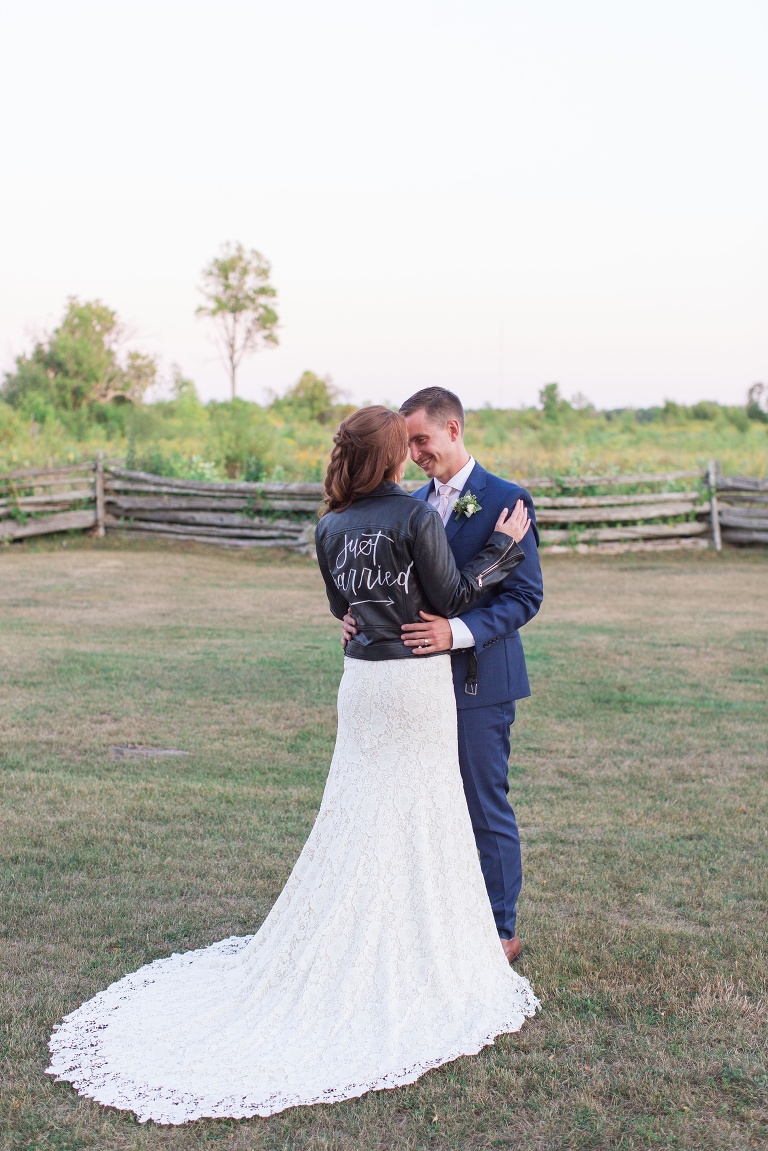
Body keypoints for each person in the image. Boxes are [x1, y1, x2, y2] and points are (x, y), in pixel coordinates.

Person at [46, 406, 538, 1125]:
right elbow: (457, 597)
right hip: (411, 684)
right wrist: (500, 544)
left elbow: (343, 606)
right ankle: (423, 941)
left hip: (363, 684)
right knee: (423, 803)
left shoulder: (329, 524)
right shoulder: (412, 516)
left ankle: (388, 928)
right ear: (394, 457)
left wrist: (369, 611)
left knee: (364, 803)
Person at [342, 388, 543, 963]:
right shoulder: (411, 504)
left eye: (421, 440)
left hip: (480, 679)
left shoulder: (506, 500)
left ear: (453, 429)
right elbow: (395, 586)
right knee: (424, 803)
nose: (414, 453)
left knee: (483, 803)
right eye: (407, 445)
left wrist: (453, 633)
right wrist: (358, 618)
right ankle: (435, 917)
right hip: (413, 686)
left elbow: (525, 596)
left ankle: (500, 930)